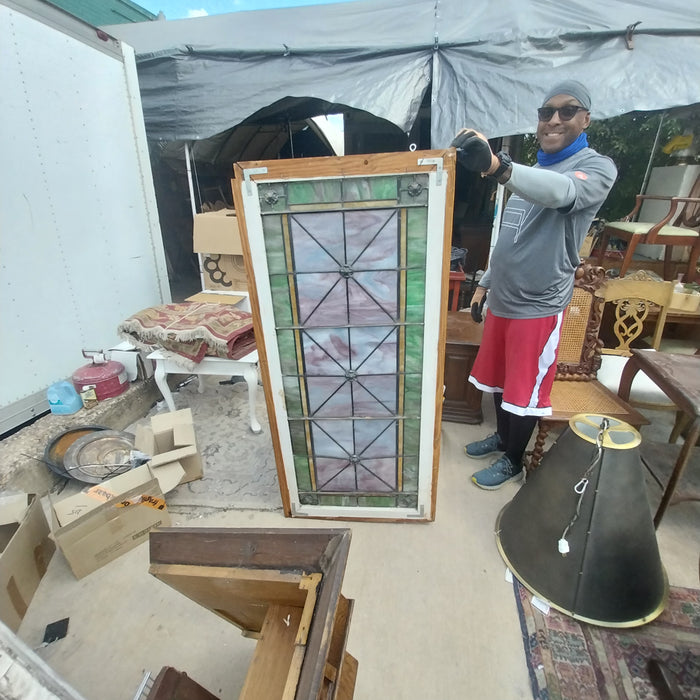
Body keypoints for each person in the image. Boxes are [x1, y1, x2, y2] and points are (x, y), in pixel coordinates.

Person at [450, 80, 617, 490]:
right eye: (546, 113)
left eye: (567, 111)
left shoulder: (595, 168)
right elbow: (509, 235)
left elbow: (562, 194)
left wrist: (499, 168)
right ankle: (503, 437)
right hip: (503, 299)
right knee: (499, 378)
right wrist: (484, 284)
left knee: (524, 388)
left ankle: (513, 459)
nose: (554, 119)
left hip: (538, 305)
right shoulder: (533, 173)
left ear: (585, 118)